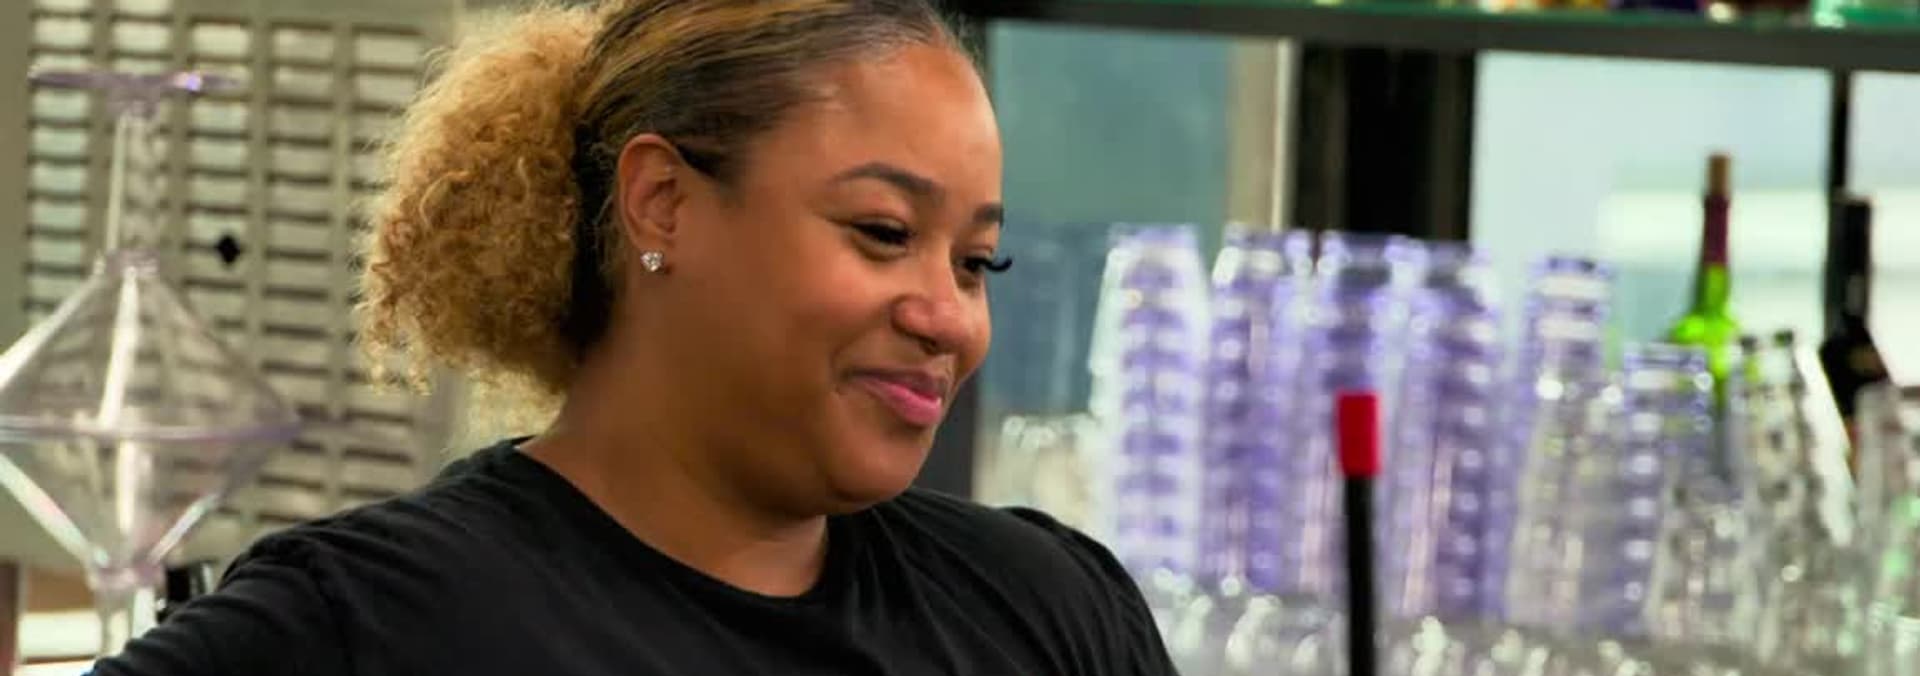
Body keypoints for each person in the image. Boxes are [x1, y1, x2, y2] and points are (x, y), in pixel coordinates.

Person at [93, 1, 1178, 674]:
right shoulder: (368, 624)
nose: (946, 316)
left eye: (975, 262)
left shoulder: (1046, 606)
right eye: (884, 233)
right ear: (664, 203)